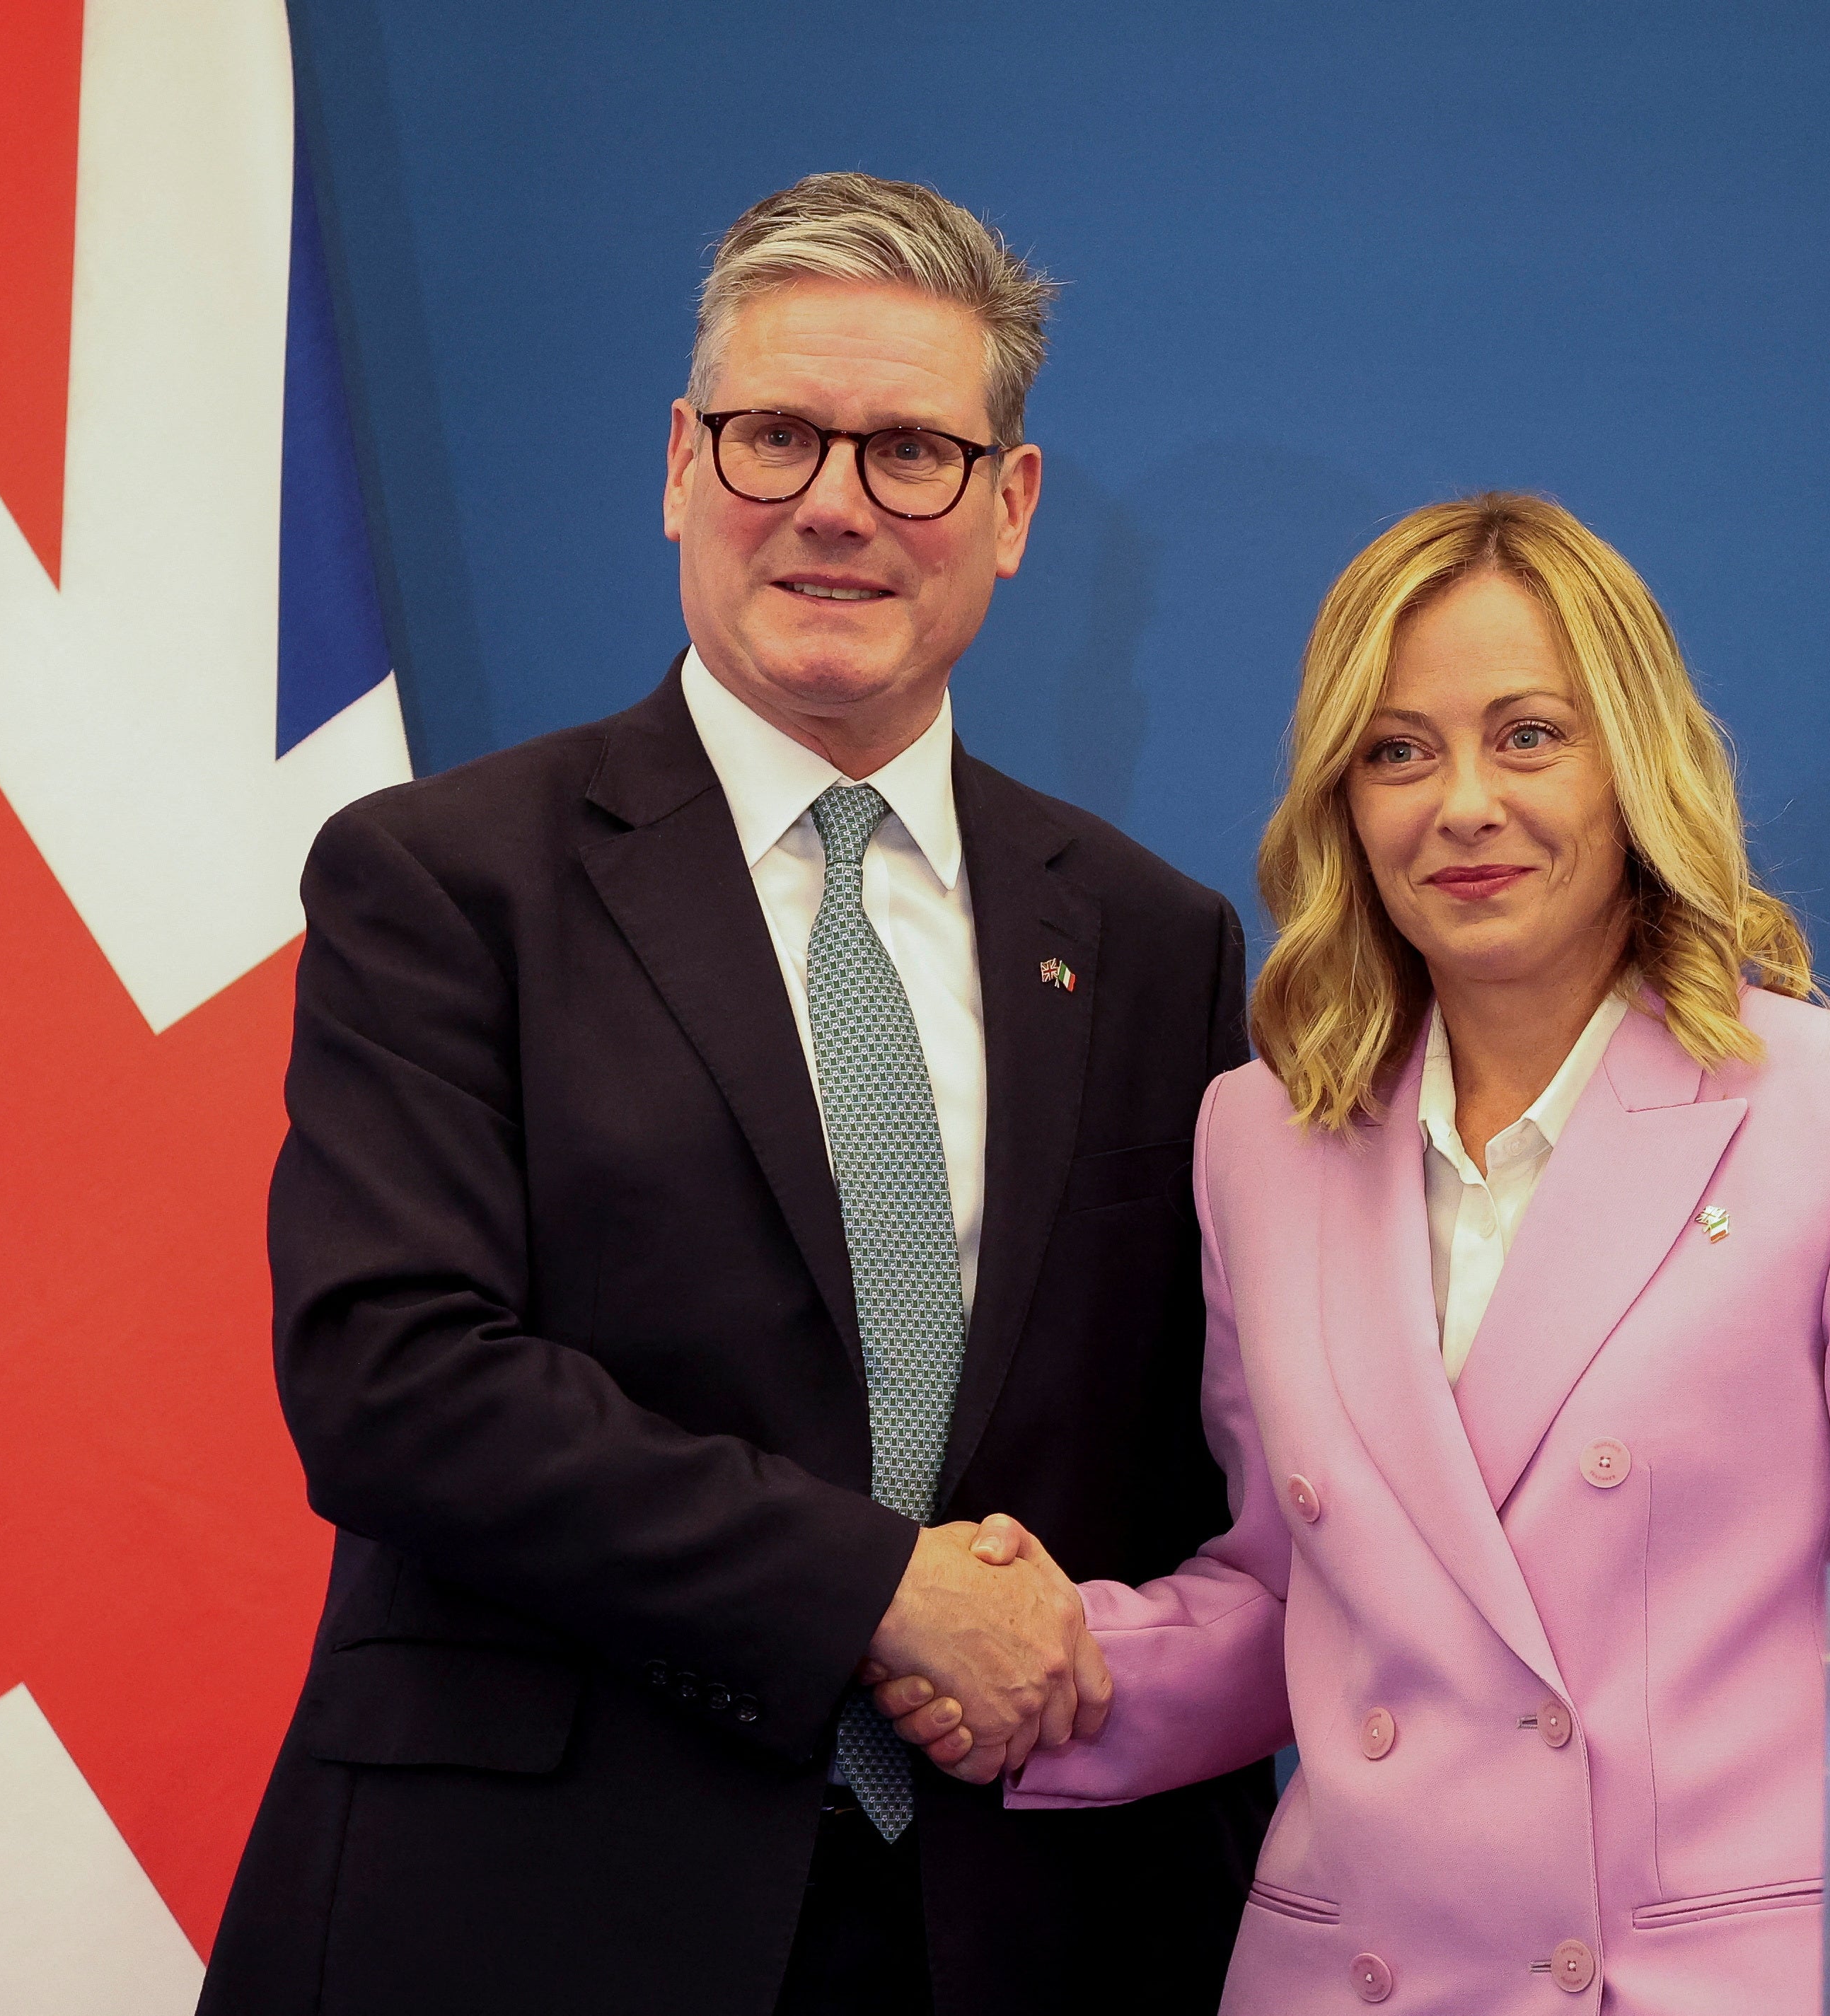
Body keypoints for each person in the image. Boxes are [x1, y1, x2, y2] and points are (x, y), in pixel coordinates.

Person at [199, 173, 1272, 2016]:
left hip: (1014, 1925)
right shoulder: (444, 878)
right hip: (527, 1917)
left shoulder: (1156, 942)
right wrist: (873, 1588)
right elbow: (391, 1380)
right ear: (682, 466)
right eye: (777, 435)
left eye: (911, 451)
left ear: (1008, 507)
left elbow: (1189, 1463)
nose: (836, 506)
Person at [871, 494, 1830, 2012]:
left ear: (1632, 759)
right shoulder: (1259, 1139)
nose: (1463, 805)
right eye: (1397, 751)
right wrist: (1041, 1668)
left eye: (1528, 736)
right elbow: (1299, 1599)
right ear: (1340, 803)